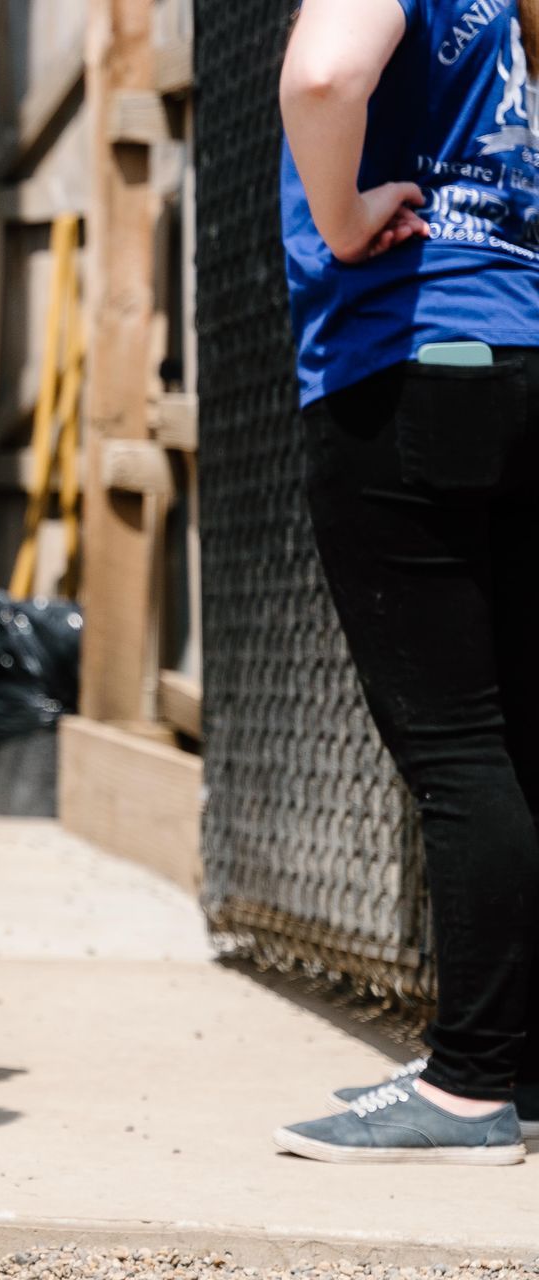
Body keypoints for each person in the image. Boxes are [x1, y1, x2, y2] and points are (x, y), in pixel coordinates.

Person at [274, 0, 539, 1164]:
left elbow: (326, 76)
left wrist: (340, 219)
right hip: (518, 350)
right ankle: (517, 1069)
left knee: (460, 749)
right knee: (519, 738)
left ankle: (472, 1088)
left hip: (411, 357)